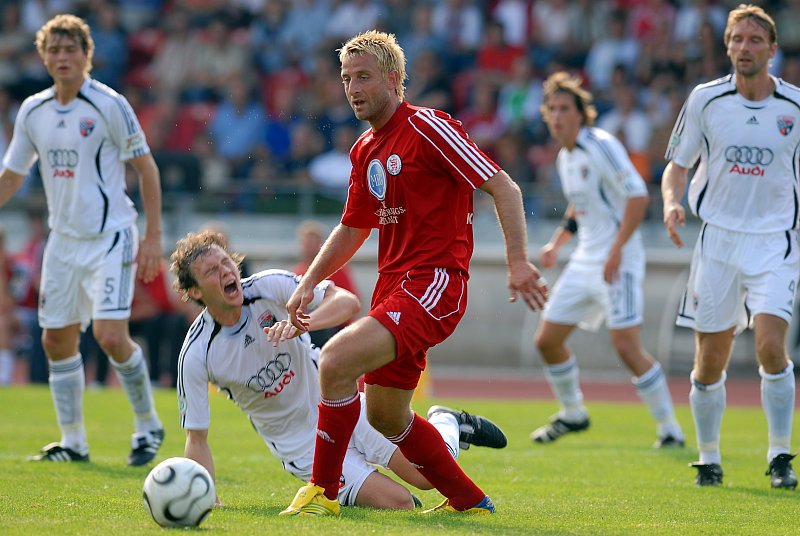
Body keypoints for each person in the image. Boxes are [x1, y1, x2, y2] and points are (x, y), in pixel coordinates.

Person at [280, 30, 547, 517]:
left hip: (434, 283)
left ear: (394, 79)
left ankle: (323, 492)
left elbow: (504, 187)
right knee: (385, 416)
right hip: (393, 289)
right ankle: (469, 500)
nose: (353, 88)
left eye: (363, 77)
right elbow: (353, 226)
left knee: (334, 360)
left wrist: (518, 261)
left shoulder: (429, 127)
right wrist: (309, 282)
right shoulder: (364, 148)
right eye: (346, 79)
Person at [171, 230, 507, 509]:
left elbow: (347, 302)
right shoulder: (197, 352)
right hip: (301, 444)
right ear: (194, 291)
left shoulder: (267, 286)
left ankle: (447, 421)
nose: (225, 271)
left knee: (426, 477)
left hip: (342, 405)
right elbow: (196, 437)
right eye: (211, 271)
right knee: (400, 503)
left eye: (225, 262)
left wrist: (304, 322)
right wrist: (206, 497)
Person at [0, 14, 165, 465]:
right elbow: (12, 175)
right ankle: (73, 441)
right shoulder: (33, 110)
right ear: (43, 57)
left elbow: (146, 168)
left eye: (70, 49)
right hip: (63, 241)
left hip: (110, 236)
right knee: (55, 341)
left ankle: (148, 425)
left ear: (86, 55)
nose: (62, 57)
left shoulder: (109, 104)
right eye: (53, 50)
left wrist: (153, 236)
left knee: (110, 335)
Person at [661, 4, 798, 489]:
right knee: (709, 362)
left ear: (772, 49)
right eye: (737, 39)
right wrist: (672, 202)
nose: (745, 47)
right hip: (717, 241)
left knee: (770, 346)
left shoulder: (795, 107)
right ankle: (709, 457)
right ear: (727, 47)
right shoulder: (705, 99)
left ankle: (780, 455)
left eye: (755, 40)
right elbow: (678, 165)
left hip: (776, 241)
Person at [529, 72, 684, 449]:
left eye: (565, 108)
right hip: (585, 259)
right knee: (547, 341)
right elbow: (579, 206)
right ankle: (573, 413)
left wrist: (615, 251)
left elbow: (637, 197)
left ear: (581, 114)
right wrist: (556, 244)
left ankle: (670, 430)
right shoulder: (565, 157)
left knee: (627, 347)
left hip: (620, 259)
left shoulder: (601, 145)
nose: (558, 115)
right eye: (552, 109)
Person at [292, 219, 359, 347]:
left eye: (312, 241)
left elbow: (351, 301)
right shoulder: (298, 272)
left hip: (333, 328)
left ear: (321, 244)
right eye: (306, 242)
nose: (308, 245)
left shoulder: (337, 269)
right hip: (306, 329)